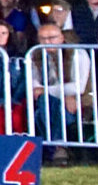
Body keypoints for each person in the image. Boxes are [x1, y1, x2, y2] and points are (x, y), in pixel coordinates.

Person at [30, 23, 92, 166]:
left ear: (61, 38)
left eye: (52, 38)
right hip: (50, 103)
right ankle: (59, 146)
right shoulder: (35, 54)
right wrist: (62, 94)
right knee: (45, 104)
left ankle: (55, 146)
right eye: (43, 39)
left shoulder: (77, 53)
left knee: (47, 106)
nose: (47, 42)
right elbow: (33, 85)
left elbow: (78, 87)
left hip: (80, 102)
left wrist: (47, 91)